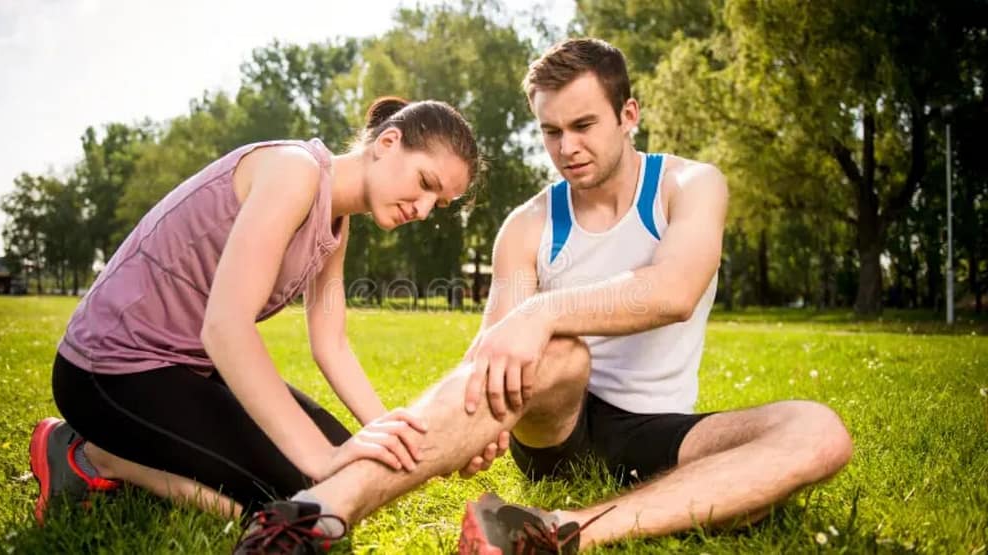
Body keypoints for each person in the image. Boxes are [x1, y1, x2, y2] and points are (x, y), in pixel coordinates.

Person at [229, 38, 853, 554]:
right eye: (551, 131)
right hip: (560, 424)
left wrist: (542, 310)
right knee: (564, 355)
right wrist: (479, 411)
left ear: (628, 114)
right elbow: (491, 356)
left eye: (584, 125)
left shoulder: (691, 186)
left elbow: (675, 291)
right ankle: (317, 512)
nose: (567, 148)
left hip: (663, 431)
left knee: (819, 431)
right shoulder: (528, 225)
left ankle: (559, 529)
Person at [27, 96, 509, 528]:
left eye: (438, 203)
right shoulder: (293, 172)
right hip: (107, 371)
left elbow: (332, 345)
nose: (424, 210)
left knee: (353, 472)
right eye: (425, 183)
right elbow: (226, 328)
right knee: (303, 499)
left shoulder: (337, 227)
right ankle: (93, 457)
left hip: (185, 370)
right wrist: (321, 458)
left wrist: (400, 437)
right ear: (387, 142)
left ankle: (126, 452)